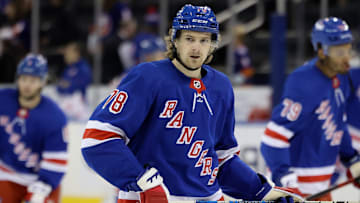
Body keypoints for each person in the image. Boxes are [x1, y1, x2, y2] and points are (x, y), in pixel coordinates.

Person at [81, 4, 302, 202]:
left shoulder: (221, 86)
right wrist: (142, 182)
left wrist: (261, 191)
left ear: (213, 44)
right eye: (189, 39)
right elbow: (98, 140)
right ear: (174, 39)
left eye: (204, 40)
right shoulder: (147, 77)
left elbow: (222, 160)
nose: (196, 48)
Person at [260, 17, 360, 201]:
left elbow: (339, 121)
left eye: (348, 49)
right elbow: (273, 138)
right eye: (339, 52)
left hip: (322, 187)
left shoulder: (342, 78)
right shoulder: (303, 82)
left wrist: (352, 159)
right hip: (297, 189)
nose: (347, 58)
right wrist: (285, 180)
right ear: (321, 51)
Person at [0, 54, 68, 203]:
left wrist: (42, 187)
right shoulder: (3, 100)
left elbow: (57, 160)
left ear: (43, 82)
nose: (27, 85)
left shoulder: (54, 116)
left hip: (42, 180)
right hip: (8, 174)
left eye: (33, 80)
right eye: (23, 79)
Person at [57, 41, 92, 121]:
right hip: (66, 102)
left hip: (79, 105)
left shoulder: (83, 68)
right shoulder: (68, 69)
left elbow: (80, 85)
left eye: (68, 52)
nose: (66, 55)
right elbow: (59, 88)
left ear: (77, 53)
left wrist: (67, 85)